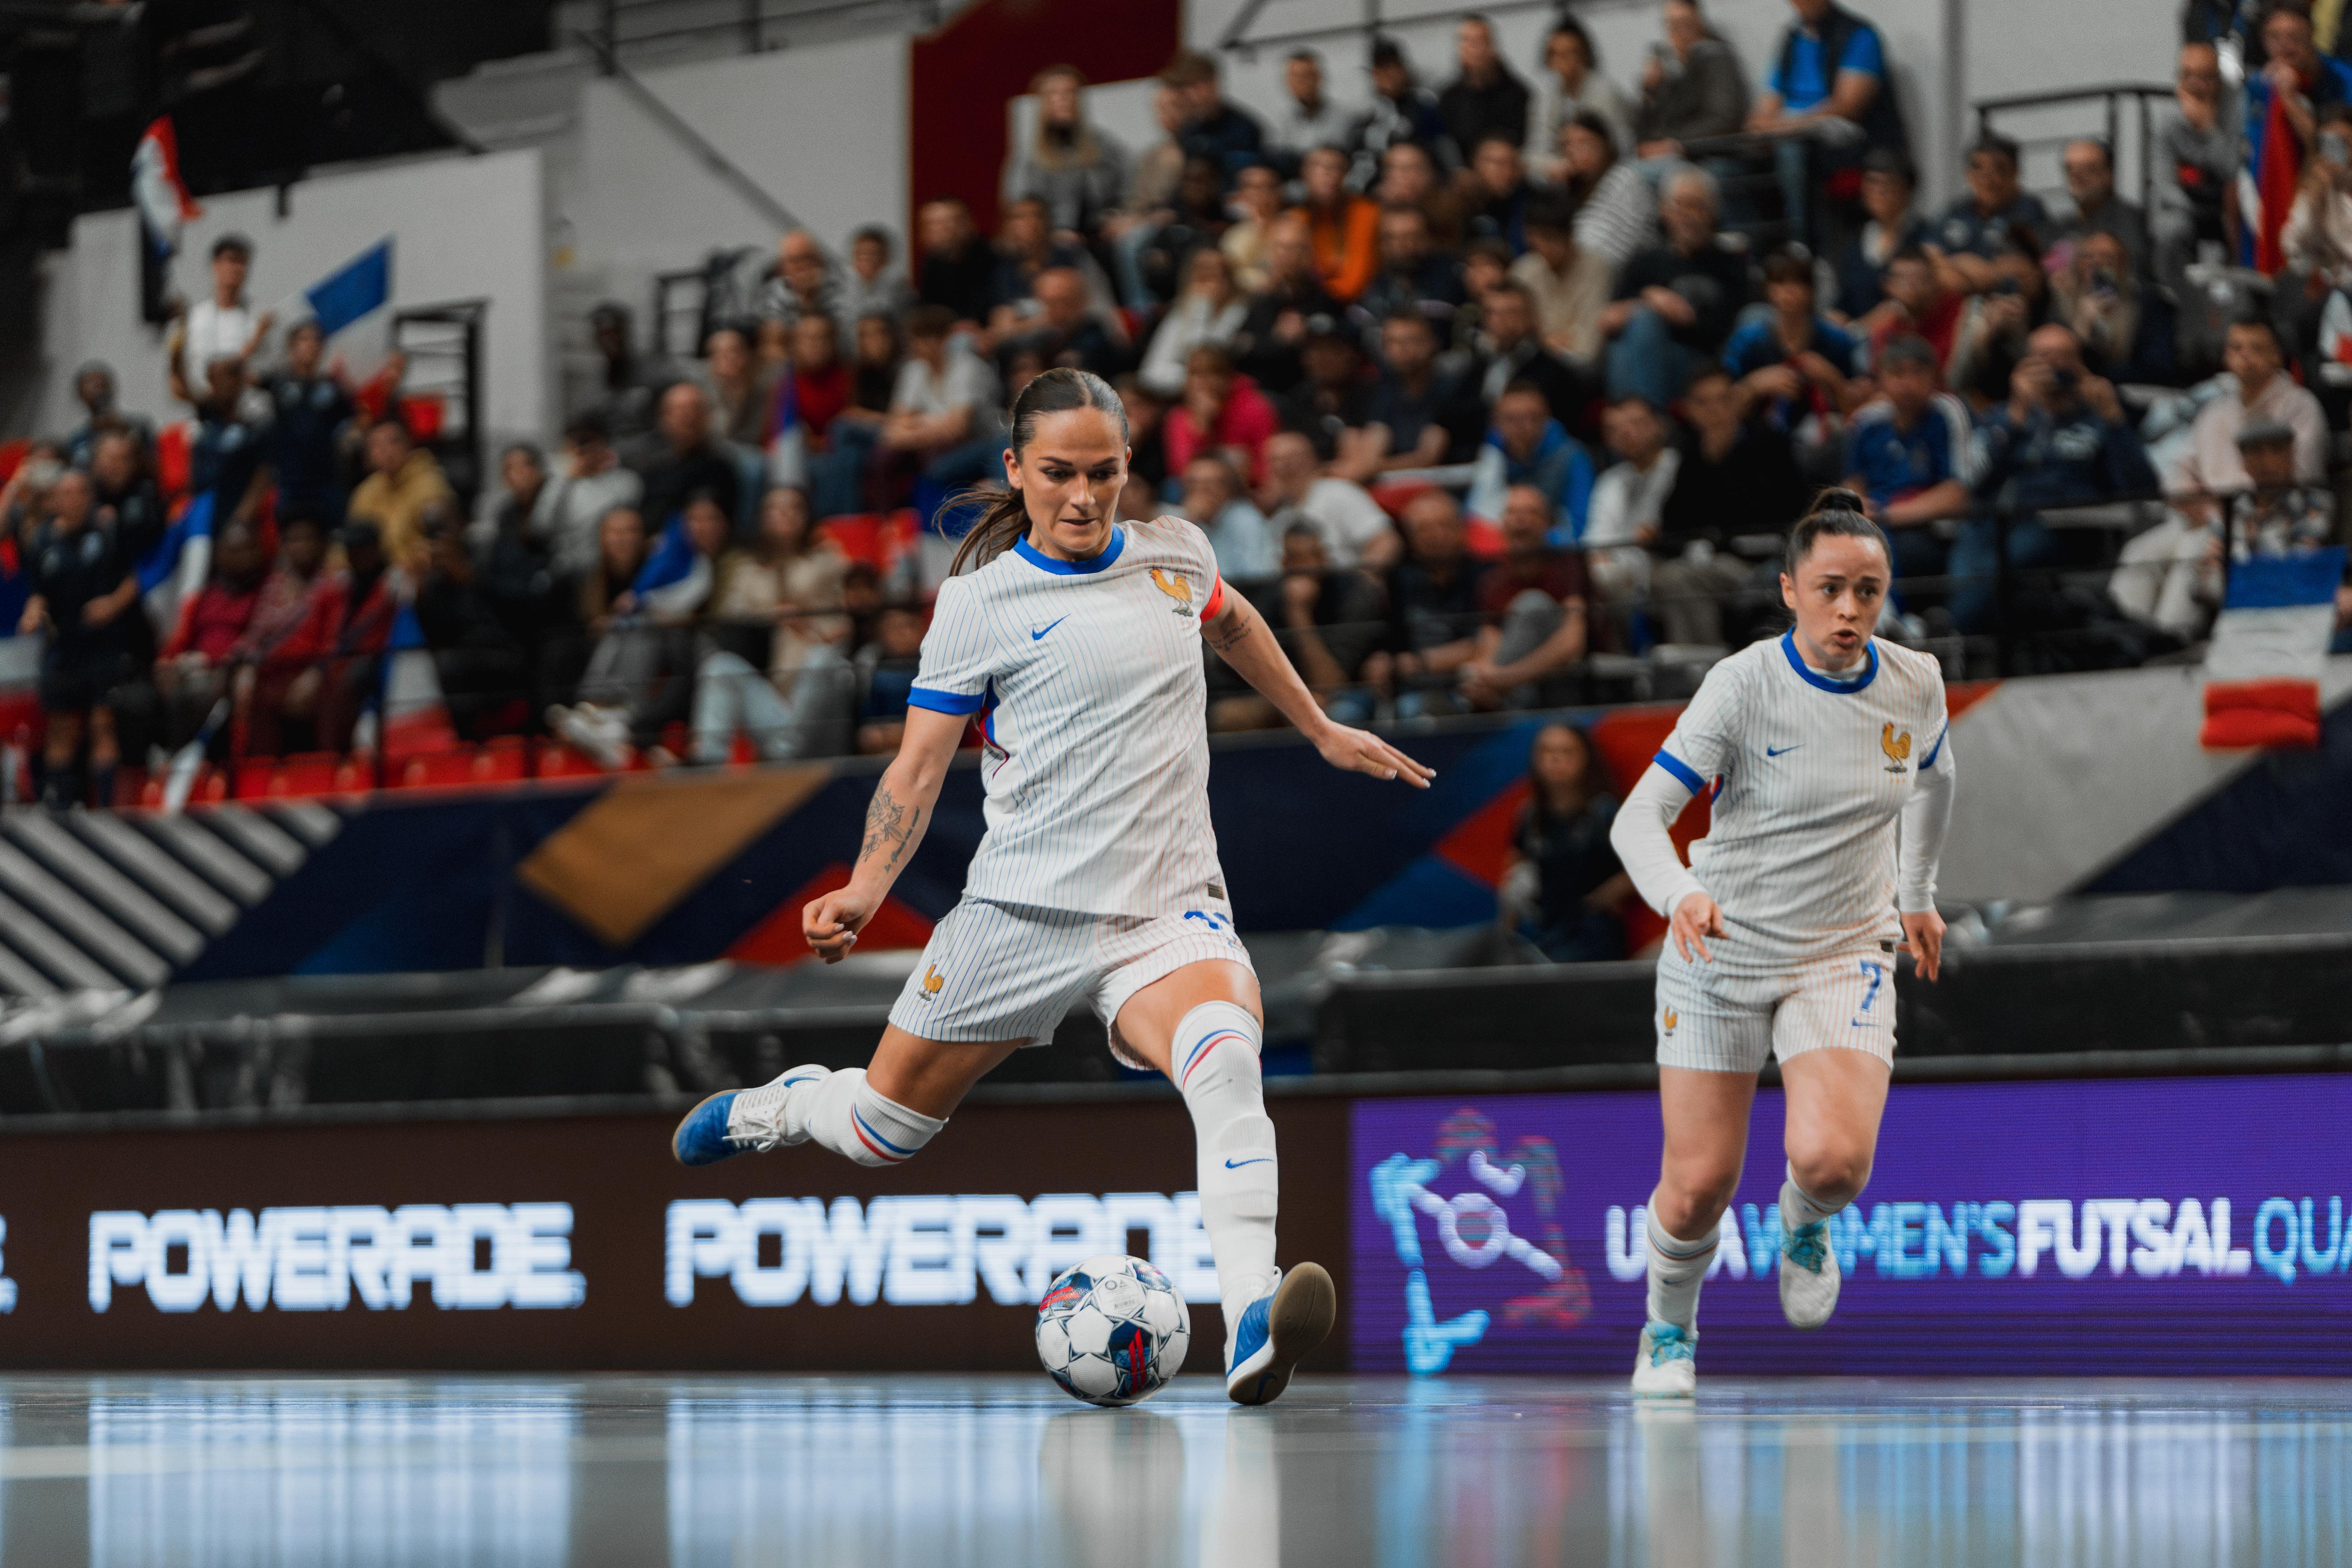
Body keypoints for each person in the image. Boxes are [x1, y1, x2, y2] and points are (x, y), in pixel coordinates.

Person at [669, 367, 1432, 1410]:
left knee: (1224, 1058)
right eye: (1060, 473)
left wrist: (1320, 726)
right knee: (885, 1130)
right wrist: (863, 885)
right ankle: (791, 1102)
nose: (1084, 496)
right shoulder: (978, 606)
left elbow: (1233, 619)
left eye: (1105, 472)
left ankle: (1250, 1309)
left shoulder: (1175, 552)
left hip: (1165, 905)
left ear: (1128, 467)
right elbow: (916, 767)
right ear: (1016, 470)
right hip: (1020, 915)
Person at [1608, 493, 1953, 1400]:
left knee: (1833, 1160)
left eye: (1868, 592)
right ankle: (1667, 1333)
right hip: (1721, 948)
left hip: (1843, 947)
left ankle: (1804, 1220)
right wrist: (1679, 892)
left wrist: (1915, 894)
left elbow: (1935, 780)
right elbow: (1638, 818)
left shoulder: (1915, 682)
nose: (1849, 610)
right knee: (1695, 1187)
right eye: (1831, 589)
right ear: (1790, 589)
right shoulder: (1743, 684)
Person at [1960, 322, 2159, 633]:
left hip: (2065, 528)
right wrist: (2016, 416)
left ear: (2080, 365)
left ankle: (1961, 635)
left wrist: (2114, 419)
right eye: (2043, 356)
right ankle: (1962, 635)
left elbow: (2142, 489)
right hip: (1994, 523)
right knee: (1964, 564)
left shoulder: (2096, 419)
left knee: (1993, 573)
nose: (2054, 366)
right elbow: (1972, 478)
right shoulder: (2004, 416)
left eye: (2064, 356)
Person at [20, 469, 147, 807]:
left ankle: (106, 805)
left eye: (79, 493)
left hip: (104, 643)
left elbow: (135, 579)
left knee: (103, 723)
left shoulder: (107, 531)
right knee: (61, 728)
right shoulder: (43, 541)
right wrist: (33, 612)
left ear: (90, 497)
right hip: (64, 645)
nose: (71, 500)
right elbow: (38, 592)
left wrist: (113, 604)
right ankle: (60, 806)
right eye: (65, 493)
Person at [1658, 367, 1810, 645]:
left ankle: (1707, 669)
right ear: (1690, 410)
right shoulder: (1691, 454)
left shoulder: (1769, 442)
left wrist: (1722, 465)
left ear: (1737, 402)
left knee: (1679, 579)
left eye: (1724, 399)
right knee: (1672, 577)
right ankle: (1702, 666)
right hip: (1709, 560)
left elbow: (1787, 511)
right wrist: (1708, 462)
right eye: (1704, 403)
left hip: (1762, 560)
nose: (1716, 411)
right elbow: (1673, 525)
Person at [1746, 0, 1903, 248]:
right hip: (1792, 134)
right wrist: (1766, 128)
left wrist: (1786, 127)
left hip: (1847, 143)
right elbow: (1764, 110)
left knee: (1793, 149)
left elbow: (1846, 106)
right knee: (1735, 163)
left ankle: (1801, 246)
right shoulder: (1791, 39)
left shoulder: (1859, 35)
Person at [1208, 523, 1387, 729]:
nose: (1306, 566)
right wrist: (1297, 700)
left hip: (1347, 693)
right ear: (1285, 563)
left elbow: (1330, 683)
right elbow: (1248, 666)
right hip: (1286, 696)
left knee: (1340, 714)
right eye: (1296, 559)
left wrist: (1299, 613)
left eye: (1313, 556)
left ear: (1325, 558)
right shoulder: (1271, 598)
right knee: (1226, 716)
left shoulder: (1353, 593)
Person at [1601, 164, 1751, 408]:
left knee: (1643, 325)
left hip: (1707, 363)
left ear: (1713, 212)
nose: (1687, 215)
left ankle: (1643, 421)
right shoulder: (1644, 263)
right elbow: (1608, 319)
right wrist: (1651, 302)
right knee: (1639, 325)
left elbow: (1737, 324)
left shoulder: (1731, 262)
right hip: (1651, 356)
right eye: (1679, 205)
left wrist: (1688, 319)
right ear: (1664, 211)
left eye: (1697, 206)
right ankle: (1638, 421)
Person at [1841, 335, 1977, 590]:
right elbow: (1853, 482)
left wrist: (1886, 516)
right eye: (1897, 374)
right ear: (1882, 380)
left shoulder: (1949, 414)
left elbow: (1957, 495)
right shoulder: (1867, 421)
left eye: (1917, 373)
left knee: (1881, 557)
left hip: (1926, 531)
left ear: (1934, 378)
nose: (1907, 383)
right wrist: (1860, 509)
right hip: (1873, 528)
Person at [1722, 248, 1861, 469]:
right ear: (1768, 290)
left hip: (1821, 443)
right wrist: (1755, 385)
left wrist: (1832, 378)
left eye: (1797, 284)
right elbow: (1722, 408)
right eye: (1779, 283)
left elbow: (1856, 414)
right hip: (1760, 439)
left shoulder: (1836, 340)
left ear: (1810, 291)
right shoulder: (1748, 342)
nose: (1788, 292)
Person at [1504, 722, 1632, 961]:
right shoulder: (1530, 816)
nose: (1556, 760)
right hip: (1543, 930)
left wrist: (1607, 895)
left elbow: (1649, 861)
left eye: (1567, 752)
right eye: (1547, 752)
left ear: (1586, 758)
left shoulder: (1604, 812)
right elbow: (1512, 877)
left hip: (1595, 932)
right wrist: (1505, 934)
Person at [1459, 482, 1593, 707]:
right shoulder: (1493, 579)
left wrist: (1507, 678)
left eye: (1532, 513)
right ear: (1501, 524)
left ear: (1548, 523)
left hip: (1563, 680)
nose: (1522, 521)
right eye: (1513, 513)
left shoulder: (1569, 564)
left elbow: (1573, 642)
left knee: (1533, 604)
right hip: (1509, 685)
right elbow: (1490, 640)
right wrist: (1480, 676)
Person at [2244, 2, 2352, 274]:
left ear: (2312, 35)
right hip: (2287, 197)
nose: (2285, 46)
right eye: (2274, 37)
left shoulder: (2343, 80)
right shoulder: (2260, 85)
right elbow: (2256, 156)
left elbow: (2329, 150)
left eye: (2295, 37)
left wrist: (2291, 101)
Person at [1371, 488, 1487, 715]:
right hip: (1409, 688)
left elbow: (1483, 644)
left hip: (1465, 687)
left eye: (1442, 526)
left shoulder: (1485, 577)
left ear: (1461, 530)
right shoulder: (1398, 580)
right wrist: (1381, 661)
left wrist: (1419, 663)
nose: (1434, 536)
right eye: (1423, 529)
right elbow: (1388, 641)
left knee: (1413, 710)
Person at [1583, 395, 1682, 631]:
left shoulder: (1679, 467)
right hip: (1622, 579)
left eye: (1636, 423)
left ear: (1659, 426)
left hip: (1671, 565)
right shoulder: (1609, 481)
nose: (1627, 433)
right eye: (1615, 429)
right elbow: (1596, 545)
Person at [2154, 41, 2243, 298]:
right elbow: (2164, 184)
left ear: (2218, 79)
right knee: (2170, 229)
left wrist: (2207, 128)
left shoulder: (2236, 109)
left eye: (2204, 77)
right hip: (2188, 205)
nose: (2195, 85)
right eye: (2187, 76)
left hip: (2230, 205)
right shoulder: (2168, 117)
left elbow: (2234, 170)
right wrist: (2197, 212)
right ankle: (2174, 300)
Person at [1003, 64, 1128, 240]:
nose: (1064, 100)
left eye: (1071, 92)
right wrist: (1053, 234)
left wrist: (1117, 216)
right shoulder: (1029, 155)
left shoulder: (1104, 145)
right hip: (1051, 241)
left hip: (1101, 236)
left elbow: (1128, 185)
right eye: (1054, 93)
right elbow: (1019, 207)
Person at [1465, 379, 1597, 542]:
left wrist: (1532, 539)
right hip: (1502, 550)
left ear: (1547, 419)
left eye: (1532, 417)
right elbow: (1474, 516)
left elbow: (1581, 526)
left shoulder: (1574, 457)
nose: (1522, 426)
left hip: (1555, 554)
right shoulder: (1491, 454)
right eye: (1511, 418)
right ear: (1496, 423)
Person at [1259, 429, 1401, 572]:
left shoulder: (1338, 491)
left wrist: (1365, 578)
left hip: (1341, 582)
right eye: (1275, 460)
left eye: (1291, 458)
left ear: (1310, 459)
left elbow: (1385, 541)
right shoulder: (1274, 513)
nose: (1283, 466)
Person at [1228, 216, 1339, 396]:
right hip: (1261, 391)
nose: (1287, 255)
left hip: (1306, 395)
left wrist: (1259, 345)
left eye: (1295, 248)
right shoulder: (1259, 300)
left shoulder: (1325, 300)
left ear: (1309, 253)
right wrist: (1279, 343)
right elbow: (1236, 346)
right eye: (1280, 247)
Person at [1634, 0, 1752, 164]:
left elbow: (1724, 120)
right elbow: (1648, 136)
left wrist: (1675, 144)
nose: (1678, 32)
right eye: (1672, 24)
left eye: (1684, 23)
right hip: (1683, 157)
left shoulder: (1714, 56)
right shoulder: (1672, 68)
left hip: (1716, 155)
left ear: (1699, 22)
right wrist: (1650, 92)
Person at [534, 413, 644, 580]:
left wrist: (607, 465)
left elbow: (629, 524)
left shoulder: (625, 481)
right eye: (577, 447)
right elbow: (540, 527)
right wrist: (566, 480)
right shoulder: (559, 484)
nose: (584, 453)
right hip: (568, 572)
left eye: (590, 445)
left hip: (610, 571)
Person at [1932, 136, 2051, 289]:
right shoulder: (1955, 212)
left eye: (1998, 168)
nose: (1987, 178)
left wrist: (1971, 269)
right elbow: (1931, 256)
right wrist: (1957, 266)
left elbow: (2028, 267)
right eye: (1978, 167)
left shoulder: (2028, 210)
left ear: (2014, 172)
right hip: (1958, 300)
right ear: (1968, 174)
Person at [1474, 279, 1591, 433]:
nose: (1501, 321)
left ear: (1533, 318)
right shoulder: (1480, 364)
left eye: (1512, 312)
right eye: (1493, 312)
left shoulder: (1555, 374)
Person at [346, 416, 455, 574]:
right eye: (377, 445)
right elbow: (350, 539)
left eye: (393, 442)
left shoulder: (430, 484)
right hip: (371, 574)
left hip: (414, 576)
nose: (385, 451)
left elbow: (438, 543)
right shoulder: (366, 491)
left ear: (408, 444)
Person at [1832, 148, 1930, 320]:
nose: (1880, 191)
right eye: (1872, 183)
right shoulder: (1855, 239)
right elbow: (1845, 299)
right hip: (1856, 333)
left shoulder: (1923, 236)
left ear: (1907, 191)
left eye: (1889, 183)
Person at [634, 383, 743, 535]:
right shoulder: (650, 468)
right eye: (680, 410)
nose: (688, 416)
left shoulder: (722, 468)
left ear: (708, 417)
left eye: (696, 408)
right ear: (664, 418)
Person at [1530, 15, 1632, 177]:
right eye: (1555, 54)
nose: (1562, 62)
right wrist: (1557, 165)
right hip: (1560, 173)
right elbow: (1535, 149)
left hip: (1602, 172)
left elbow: (1622, 145)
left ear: (1584, 55)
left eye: (1569, 53)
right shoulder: (1545, 96)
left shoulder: (1605, 92)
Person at [1168, 343, 1281, 487]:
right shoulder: (1178, 417)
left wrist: (1241, 468)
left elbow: (1269, 464)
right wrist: (1201, 423)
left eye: (1213, 373)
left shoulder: (1255, 407)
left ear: (1229, 378)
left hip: (1249, 488)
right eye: (1197, 374)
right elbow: (1181, 471)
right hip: (1199, 490)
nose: (1205, 382)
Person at [1350, 37, 1456, 189]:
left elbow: (1444, 149)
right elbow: (1361, 163)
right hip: (1379, 191)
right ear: (1374, 74)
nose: (1387, 75)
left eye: (1392, 67)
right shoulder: (1366, 115)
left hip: (1423, 184)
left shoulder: (1425, 105)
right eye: (1380, 69)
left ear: (1403, 69)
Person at [173, 234, 271, 399]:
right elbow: (179, 380)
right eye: (231, 260)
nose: (236, 268)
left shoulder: (258, 320)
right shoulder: (194, 319)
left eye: (242, 262)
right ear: (215, 265)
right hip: (203, 410)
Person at [1564, 110, 1659, 276]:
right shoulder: (1568, 191)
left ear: (1606, 146)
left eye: (1584, 142)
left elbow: (1621, 250)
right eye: (1567, 145)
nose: (1574, 151)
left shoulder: (1626, 180)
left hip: (1630, 277)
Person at [2051, 138, 2151, 280]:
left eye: (2088, 169)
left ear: (2109, 175)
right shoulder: (2061, 224)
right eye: (2070, 168)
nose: (2077, 175)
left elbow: (2133, 276)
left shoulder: (2128, 221)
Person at [1293, 145, 1381, 303]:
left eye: (1335, 167)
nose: (1326, 173)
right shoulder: (1296, 218)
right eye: (1317, 166)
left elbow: (1355, 281)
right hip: (1308, 301)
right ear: (1304, 174)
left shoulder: (1366, 212)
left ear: (1346, 174)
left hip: (1356, 302)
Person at [1357, 203, 1469, 328]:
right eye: (1392, 238)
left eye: (1411, 236)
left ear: (1428, 238)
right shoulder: (1371, 285)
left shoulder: (1457, 278)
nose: (1403, 245)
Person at [1438, 13, 1532, 161]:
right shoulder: (1449, 98)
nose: (1474, 49)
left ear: (1492, 47)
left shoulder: (1518, 94)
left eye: (1480, 41)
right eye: (1467, 41)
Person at [1168, 50, 1266, 183]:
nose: (1190, 96)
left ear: (1214, 83)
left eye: (1195, 86)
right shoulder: (1188, 129)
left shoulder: (1245, 128)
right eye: (1184, 89)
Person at [1180, 452, 1279, 581]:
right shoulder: (1180, 521)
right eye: (1195, 483)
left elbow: (1255, 575)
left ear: (1228, 487)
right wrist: (1188, 523)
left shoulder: (1246, 519)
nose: (1203, 491)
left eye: (1211, 483)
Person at [915, 198, 998, 326]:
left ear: (970, 224)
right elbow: (930, 309)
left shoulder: (994, 258)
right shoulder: (933, 262)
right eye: (931, 224)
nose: (942, 230)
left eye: (949, 222)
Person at [1269, 50, 1353, 173]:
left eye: (1307, 75)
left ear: (1319, 78)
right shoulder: (1278, 121)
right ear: (1287, 81)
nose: (1301, 82)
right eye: (1295, 76)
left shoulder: (1344, 117)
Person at [760, 230, 849, 341]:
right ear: (782, 266)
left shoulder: (837, 290)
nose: (801, 266)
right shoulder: (770, 294)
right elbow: (775, 339)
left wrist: (810, 299)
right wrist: (802, 297)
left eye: (807, 258)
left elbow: (839, 336)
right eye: (794, 260)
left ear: (819, 260)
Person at [1222, 163, 1289, 293]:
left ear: (1279, 192)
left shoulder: (1293, 230)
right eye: (1252, 187)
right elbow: (1230, 274)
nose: (1259, 194)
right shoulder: (1233, 234)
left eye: (1267, 187)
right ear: (1241, 193)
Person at [1462, 135, 1534, 255]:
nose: (1506, 171)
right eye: (1498, 163)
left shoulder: (1531, 203)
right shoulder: (1459, 202)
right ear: (1475, 164)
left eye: (1512, 164)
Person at [842, 225, 916, 326]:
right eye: (862, 254)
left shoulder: (900, 288)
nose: (867, 259)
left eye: (873, 254)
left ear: (885, 257)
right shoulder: (841, 287)